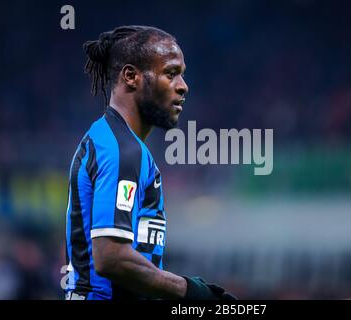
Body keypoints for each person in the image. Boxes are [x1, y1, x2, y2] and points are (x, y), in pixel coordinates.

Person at [64, 25, 235, 300]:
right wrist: (190, 291)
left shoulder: (113, 141)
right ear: (131, 76)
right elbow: (111, 257)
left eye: (182, 75)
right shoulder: (121, 149)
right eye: (171, 73)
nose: (183, 86)